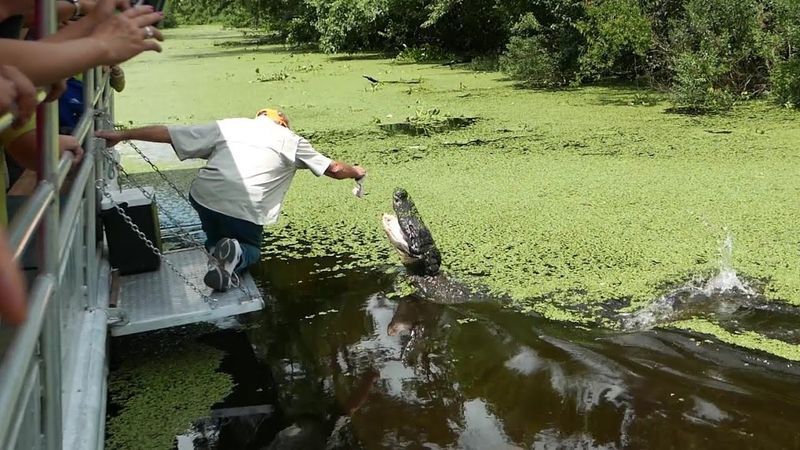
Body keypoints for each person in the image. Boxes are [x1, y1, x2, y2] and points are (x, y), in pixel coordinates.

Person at [96, 109, 368, 292]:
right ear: (283, 124)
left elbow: (171, 133)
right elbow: (334, 169)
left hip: (204, 196)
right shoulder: (291, 139)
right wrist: (356, 171)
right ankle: (236, 254)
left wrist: (123, 135)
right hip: (245, 206)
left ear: (259, 117)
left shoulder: (230, 126)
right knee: (251, 248)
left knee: (216, 234)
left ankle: (219, 253)